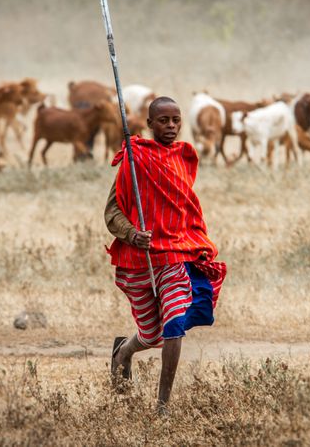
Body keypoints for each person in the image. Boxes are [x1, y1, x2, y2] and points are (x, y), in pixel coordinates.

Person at [104, 96, 227, 414]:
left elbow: (184, 207)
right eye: (163, 121)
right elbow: (112, 211)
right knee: (151, 334)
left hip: (174, 256)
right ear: (150, 124)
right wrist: (133, 234)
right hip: (139, 259)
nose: (171, 126)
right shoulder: (135, 158)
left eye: (176, 120)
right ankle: (123, 353)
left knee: (174, 326)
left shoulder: (185, 157)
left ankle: (162, 406)